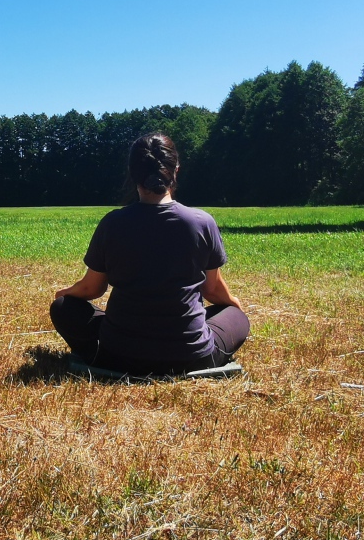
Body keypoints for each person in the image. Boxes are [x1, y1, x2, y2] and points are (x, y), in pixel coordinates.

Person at [49, 132, 249, 375]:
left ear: (133, 174)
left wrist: (65, 295)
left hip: (118, 355)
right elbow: (213, 290)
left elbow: (92, 289)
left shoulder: (113, 223)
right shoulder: (201, 222)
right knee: (234, 316)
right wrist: (234, 306)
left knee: (63, 308)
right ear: (176, 170)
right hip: (192, 357)